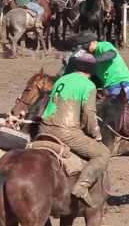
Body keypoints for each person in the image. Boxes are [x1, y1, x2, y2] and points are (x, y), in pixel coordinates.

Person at [40, 53, 110, 207]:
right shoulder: (88, 85)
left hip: (44, 128)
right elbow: (89, 113)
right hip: (66, 132)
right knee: (103, 153)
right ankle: (82, 186)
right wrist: (95, 133)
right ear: (91, 70)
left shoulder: (63, 79)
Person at [61, 32, 129, 146]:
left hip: (122, 81)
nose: (85, 50)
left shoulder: (104, 45)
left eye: (85, 46)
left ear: (93, 42)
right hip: (107, 86)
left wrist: (92, 60)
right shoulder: (87, 53)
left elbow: (111, 54)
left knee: (123, 106)